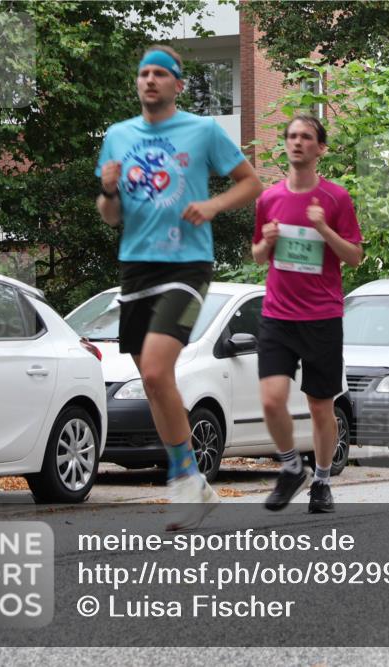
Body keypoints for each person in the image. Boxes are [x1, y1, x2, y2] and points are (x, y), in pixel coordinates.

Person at [96, 45, 262, 530]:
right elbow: (112, 216)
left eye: (159, 74)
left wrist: (211, 207)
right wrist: (108, 190)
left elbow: (250, 183)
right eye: (143, 72)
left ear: (177, 84)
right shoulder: (117, 136)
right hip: (135, 268)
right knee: (152, 380)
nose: (149, 80)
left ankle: (186, 482)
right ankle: (192, 479)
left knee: (154, 366)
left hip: (187, 265)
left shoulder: (203, 131)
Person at [251, 115, 363, 513]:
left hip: (321, 316)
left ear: (320, 148)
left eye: (306, 137)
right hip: (278, 315)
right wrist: (267, 243)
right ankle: (289, 467)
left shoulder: (335, 199)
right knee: (270, 399)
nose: (297, 142)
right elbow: (258, 254)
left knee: (320, 406)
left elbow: (354, 256)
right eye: (292, 136)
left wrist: (323, 230)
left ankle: (321, 479)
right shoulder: (268, 199)